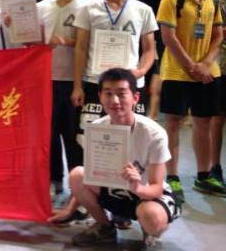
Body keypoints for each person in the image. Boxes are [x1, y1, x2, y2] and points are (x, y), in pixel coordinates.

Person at [52, 68, 181, 248]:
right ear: (100, 96)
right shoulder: (96, 129)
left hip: (145, 194)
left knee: (152, 217)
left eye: (121, 93)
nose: (114, 100)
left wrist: (137, 187)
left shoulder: (154, 133)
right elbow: (88, 177)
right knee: (76, 175)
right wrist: (69, 210)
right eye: (108, 93)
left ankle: (151, 231)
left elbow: (156, 188)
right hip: (114, 191)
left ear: (135, 98)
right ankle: (105, 227)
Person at [156, 0, 225, 200]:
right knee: (173, 124)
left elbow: (218, 36)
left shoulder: (213, 0)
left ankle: (203, 176)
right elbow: (168, 38)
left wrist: (205, 63)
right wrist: (192, 66)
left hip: (207, 73)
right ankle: (172, 178)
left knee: (203, 124)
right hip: (177, 72)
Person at [71, 0, 157, 140]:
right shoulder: (88, 8)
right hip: (96, 83)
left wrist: (140, 72)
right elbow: (81, 48)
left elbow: (149, 49)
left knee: (132, 140)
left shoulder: (143, 10)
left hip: (130, 84)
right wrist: (77, 86)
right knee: (92, 141)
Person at [37, 0, 92, 195]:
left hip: (76, 81)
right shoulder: (40, 7)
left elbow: (92, 44)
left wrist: (69, 42)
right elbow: (32, 44)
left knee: (73, 136)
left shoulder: (89, 6)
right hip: (46, 80)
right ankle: (54, 181)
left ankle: (78, 187)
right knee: (49, 134)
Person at [211, 0, 226, 185]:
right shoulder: (219, 0)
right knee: (218, 118)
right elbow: (215, 33)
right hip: (223, 67)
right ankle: (215, 166)